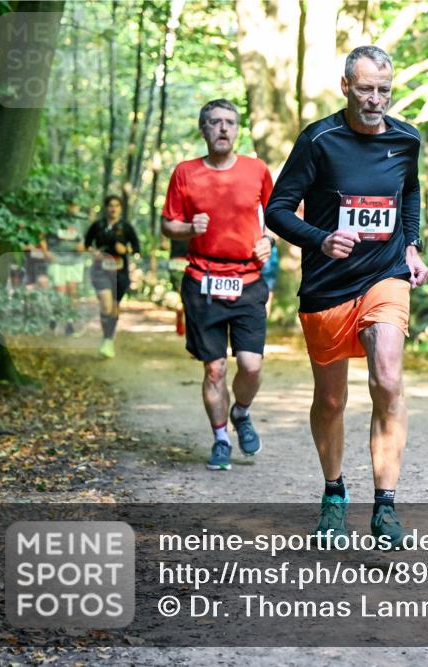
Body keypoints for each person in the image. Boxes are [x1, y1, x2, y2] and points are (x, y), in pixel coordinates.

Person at [266, 45, 428, 549]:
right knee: (332, 398)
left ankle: (385, 506)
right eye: (365, 89)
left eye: (383, 89)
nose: (375, 99)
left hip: (385, 275)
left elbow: (410, 193)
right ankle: (334, 494)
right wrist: (320, 239)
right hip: (327, 285)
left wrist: (413, 245)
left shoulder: (406, 139)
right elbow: (277, 209)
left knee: (387, 377)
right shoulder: (319, 140)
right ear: (345, 86)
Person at [161, 99, 274, 471]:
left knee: (251, 365)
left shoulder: (256, 171)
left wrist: (268, 240)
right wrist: (188, 228)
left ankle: (241, 412)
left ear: (237, 129)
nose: (223, 128)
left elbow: (278, 215)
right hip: (202, 282)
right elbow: (168, 224)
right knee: (214, 370)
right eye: (214, 122)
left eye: (229, 122)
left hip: (248, 280)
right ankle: (222, 438)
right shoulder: (185, 173)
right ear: (203, 129)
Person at [83, 195, 140, 358]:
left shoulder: (126, 227)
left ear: (120, 208)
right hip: (100, 270)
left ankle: (108, 340)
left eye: (116, 205)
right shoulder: (98, 225)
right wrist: (94, 253)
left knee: (114, 307)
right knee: (106, 306)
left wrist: (126, 250)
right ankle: (106, 337)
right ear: (106, 208)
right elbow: (87, 244)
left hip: (120, 272)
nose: (113, 208)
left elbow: (136, 248)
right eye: (110, 205)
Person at [43, 200, 86, 336]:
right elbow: (41, 235)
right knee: (59, 291)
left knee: (72, 292)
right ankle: (54, 316)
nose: (73, 207)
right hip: (57, 260)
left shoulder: (82, 220)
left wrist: (83, 247)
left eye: (75, 204)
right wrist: (46, 252)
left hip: (75, 261)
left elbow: (88, 241)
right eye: (70, 204)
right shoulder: (55, 219)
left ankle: (70, 322)